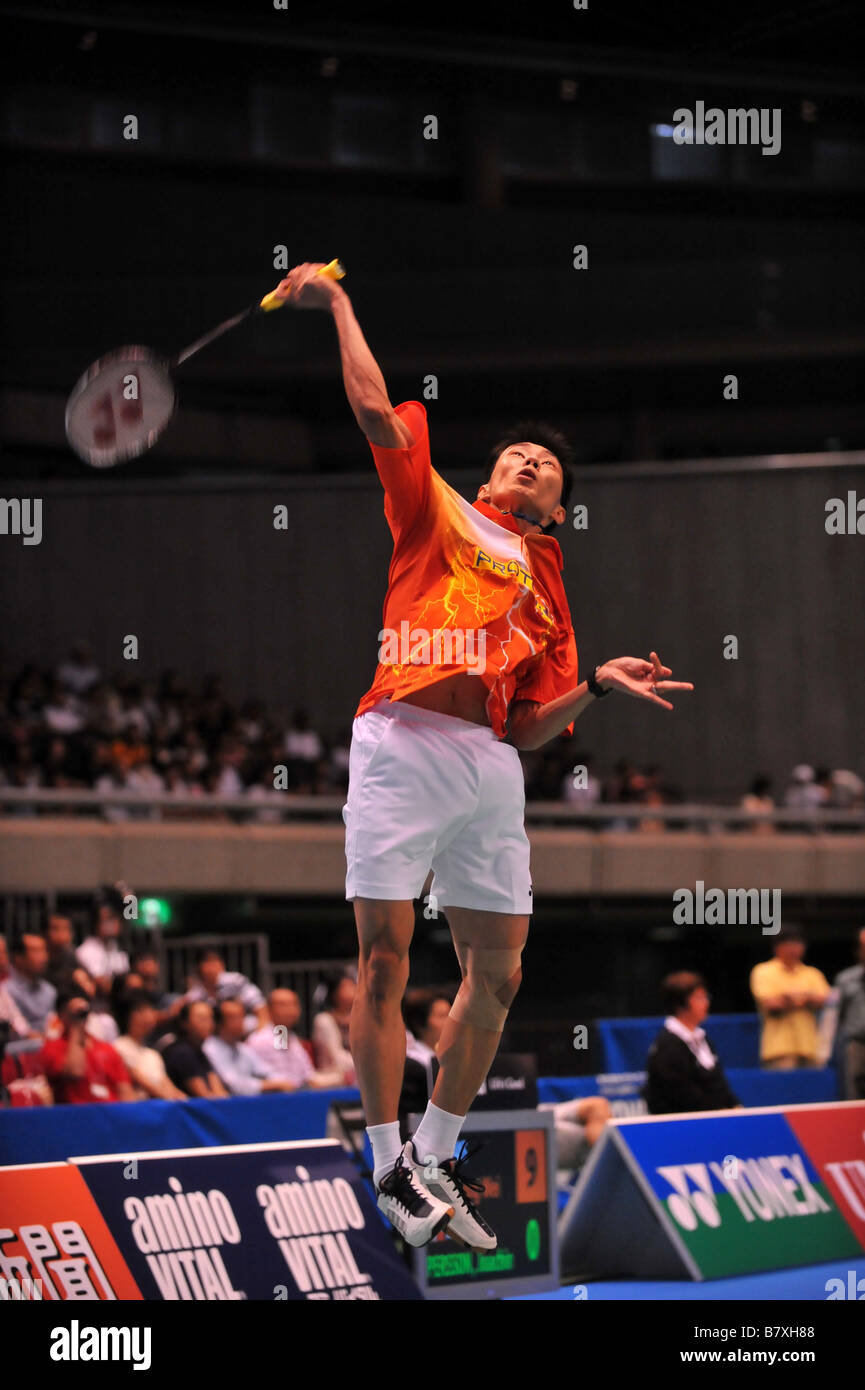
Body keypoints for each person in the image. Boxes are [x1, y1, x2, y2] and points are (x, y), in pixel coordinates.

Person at [274, 260, 695, 1249]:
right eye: (515, 455)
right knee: (384, 956)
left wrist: (591, 686)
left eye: (546, 467)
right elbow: (374, 405)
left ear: (556, 511)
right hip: (400, 736)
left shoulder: (548, 596)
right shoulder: (435, 508)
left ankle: (435, 1151)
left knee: (497, 975)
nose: (529, 463)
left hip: (485, 766)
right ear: (492, 476)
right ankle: (385, 1166)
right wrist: (337, 302)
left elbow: (527, 728)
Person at [644, 973, 741, 1113]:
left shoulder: (703, 1039)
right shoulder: (668, 1046)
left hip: (717, 1118)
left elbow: (720, 1085)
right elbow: (682, 1097)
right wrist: (720, 1111)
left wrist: (735, 1106)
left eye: (706, 997)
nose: (706, 1003)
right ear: (680, 1004)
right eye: (699, 998)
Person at [750, 928, 831, 1069]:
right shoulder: (763, 971)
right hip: (779, 1049)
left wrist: (788, 998)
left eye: (798, 944)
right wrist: (806, 998)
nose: (793, 949)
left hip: (810, 1047)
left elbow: (826, 1000)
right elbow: (771, 1003)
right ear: (777, 947)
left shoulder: (812, 974)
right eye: (788, 944)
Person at [41, 991, 136, 1104]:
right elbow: (75, 1071)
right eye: (75, 1012)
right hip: (77, 1116)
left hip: (111, 1115)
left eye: (84, 1012)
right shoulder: (52, 1047)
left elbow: (126, 1092)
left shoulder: (107, 1048)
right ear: (62, 1014)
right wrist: (76, 1028)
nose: (81, 1016)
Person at [247, 989, 344, 1088]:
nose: (290, 1010)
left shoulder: (291, 1038)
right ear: (269, 1010)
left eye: (294, 1004)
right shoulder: (259, 1041)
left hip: (299, 1094)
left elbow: (308, 1076)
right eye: (283, 1005)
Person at [203, 999, 298, 1095]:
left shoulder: (242, 1048)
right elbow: (235, 1086)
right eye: (234, 1018)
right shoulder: (210, 1048)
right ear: (219, 1023)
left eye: (242, 1016)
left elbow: (266, 1071)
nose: (241, 1022)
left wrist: (283, 1081)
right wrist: (272, 1085)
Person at [114, 992, 186, 1100]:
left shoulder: (153, 1054)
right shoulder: (119, 1046)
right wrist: (173, 1101)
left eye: (150, 1010)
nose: (148, 1017)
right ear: (127, 1016)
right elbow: (143, 1082)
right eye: (140, 1011)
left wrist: (186, 1102)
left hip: (161, 1108)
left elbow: (167, 1086)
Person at [183, 949, 267, 1034]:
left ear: (222, 965)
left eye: (215, 962)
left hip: (246, 1031)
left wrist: (259, 1035)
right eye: (207, 963)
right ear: (199, 967)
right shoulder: (195, 994)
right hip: (214, 1036)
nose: (212, 967)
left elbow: (260, 1007)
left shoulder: (235, 981)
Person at [161, 1001, 228, 1098]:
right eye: (202, 1019)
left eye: (210, 1018)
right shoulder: (181, 1052)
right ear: (185, 1023)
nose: (209, 1024)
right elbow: (204, 1096)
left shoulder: (200, 1051)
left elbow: (219, 1091)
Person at [834, 926, 865, 1100]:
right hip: (856, 1045)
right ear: (858, 950)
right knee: (853, 1093)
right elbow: (836, 1016)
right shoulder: (845, 979)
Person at [5, 932, 57, 1036]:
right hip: (17, 1048)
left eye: (44, 950)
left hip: (47, 1045)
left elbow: (53, 1026)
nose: (43, 957)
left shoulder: (49, 990)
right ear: (18, 957)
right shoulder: (5, 991)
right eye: (36, 951)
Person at [312, 974, 356, 1082]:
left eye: (353, 986)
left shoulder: (362, 1019)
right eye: (346, 987)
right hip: (333, 1073)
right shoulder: (324, 1020)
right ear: (334, 993)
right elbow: (337, 1059)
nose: (352, 990)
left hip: (358, 1072)